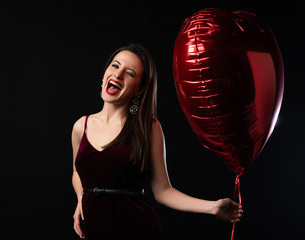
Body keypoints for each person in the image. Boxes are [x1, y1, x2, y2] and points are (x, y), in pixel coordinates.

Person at [71, 43, 242, 239]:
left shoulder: (149, 128)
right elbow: (77, 171)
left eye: (130, 73)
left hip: (137, 230)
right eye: (115, 66)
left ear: (139, 89)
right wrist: (80, 199)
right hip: (95, 230)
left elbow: (163, 191)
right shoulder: (80, 126)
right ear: (105, 74)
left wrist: (212, 207)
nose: (118, 75)